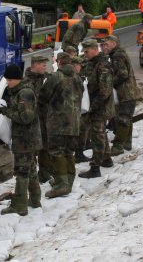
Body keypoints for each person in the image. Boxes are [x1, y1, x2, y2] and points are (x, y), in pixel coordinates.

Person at [38, 52, 83, 198]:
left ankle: (61, 184)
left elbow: (43, 96)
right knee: (69, 152)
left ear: (59, 62)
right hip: (74, 123)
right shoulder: (77, 78)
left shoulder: (56, 77)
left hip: (58, 123)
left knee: (57, 152)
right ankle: (68, 180)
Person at [0, 64, 42, 215]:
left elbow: (25, 117)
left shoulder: (24, 94)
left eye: (10, 80)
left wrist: (7, 112)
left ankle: (19, 205)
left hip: (25, 140)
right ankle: (35, 200)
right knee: (30, 170)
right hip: (27, 139)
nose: (7, 82)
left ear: (17, 79)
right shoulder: (20, 91)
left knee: (22, 172)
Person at [77, 39, 114, 179]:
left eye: (87, 52)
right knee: (100, 133)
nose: (84, 54)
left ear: (94, 50)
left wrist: (92, 107)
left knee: (97, 135)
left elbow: (105, 91)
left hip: (100, 107)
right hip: (94, 105)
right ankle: (106, 158)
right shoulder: (91, 63)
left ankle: (95, 167)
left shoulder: (103, 66)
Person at [102, 35, 137, 156]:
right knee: (127, 118)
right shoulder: (119, 53)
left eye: (107, 44)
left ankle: (118, 146)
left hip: (125, 92)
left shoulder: (117, 55)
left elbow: (123, 73)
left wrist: (110, 83)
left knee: (123, 119)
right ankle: (127, 142)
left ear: (114, 44)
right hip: (129, 92)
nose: (104, 47)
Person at [24, 56, 52, 185]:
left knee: (46, 146)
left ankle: (45, 173)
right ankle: (32, 176)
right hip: (34, 120)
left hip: (46, 118)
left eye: (45, 64)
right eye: (42, 64)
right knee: (34, 148)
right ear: (34, 65)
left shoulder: (47, 78)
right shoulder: (27, 82)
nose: (45, 66)